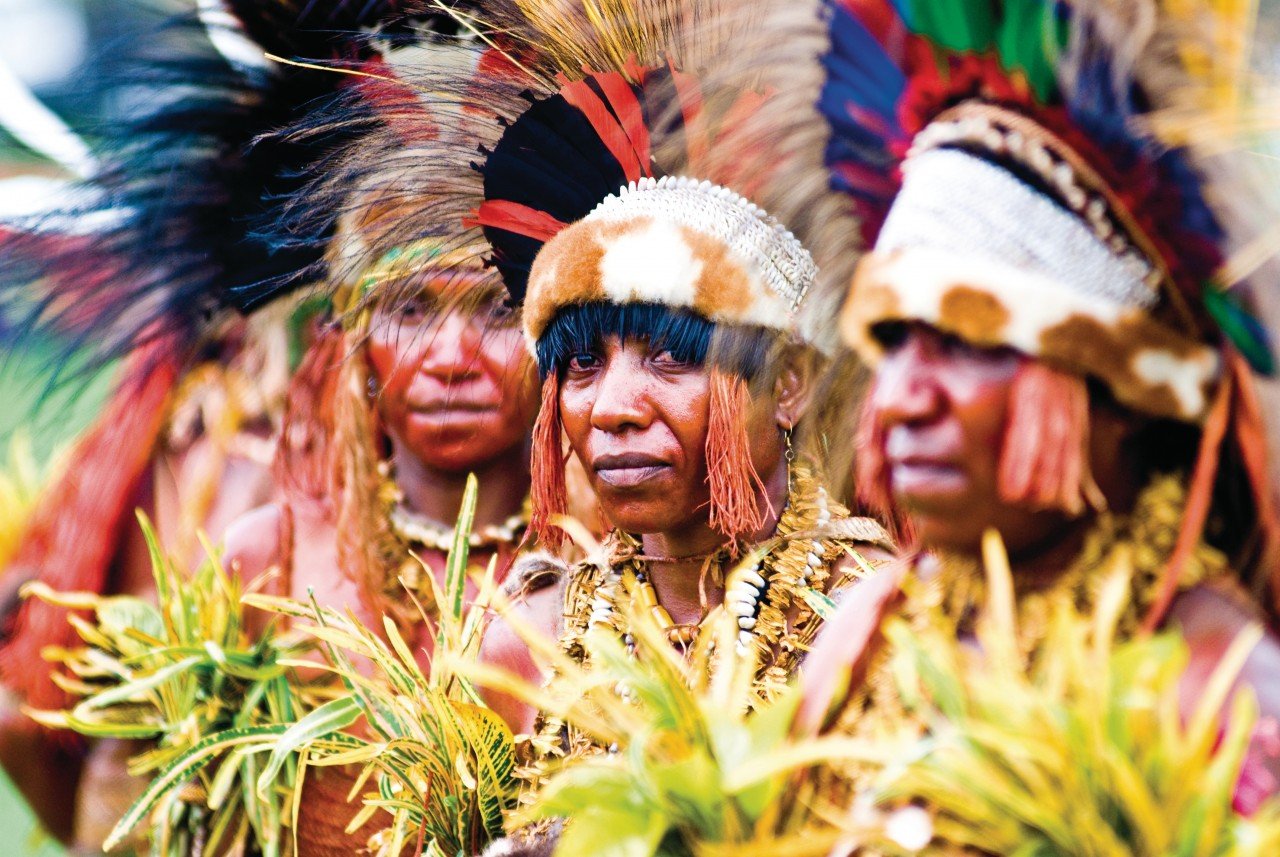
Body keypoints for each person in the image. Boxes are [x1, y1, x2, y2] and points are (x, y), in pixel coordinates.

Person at [759, 0, 1280, 813]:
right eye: (891, 342)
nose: (900, 399)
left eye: (968, 343)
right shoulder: (866, 629)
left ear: (1124, 392)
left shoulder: (1217, 687)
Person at [455, 0, 896, 742]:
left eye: (675, 355)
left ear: (790, 383)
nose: (613, 407)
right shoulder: (521, 647)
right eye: (584, 362)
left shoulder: (885, 634)